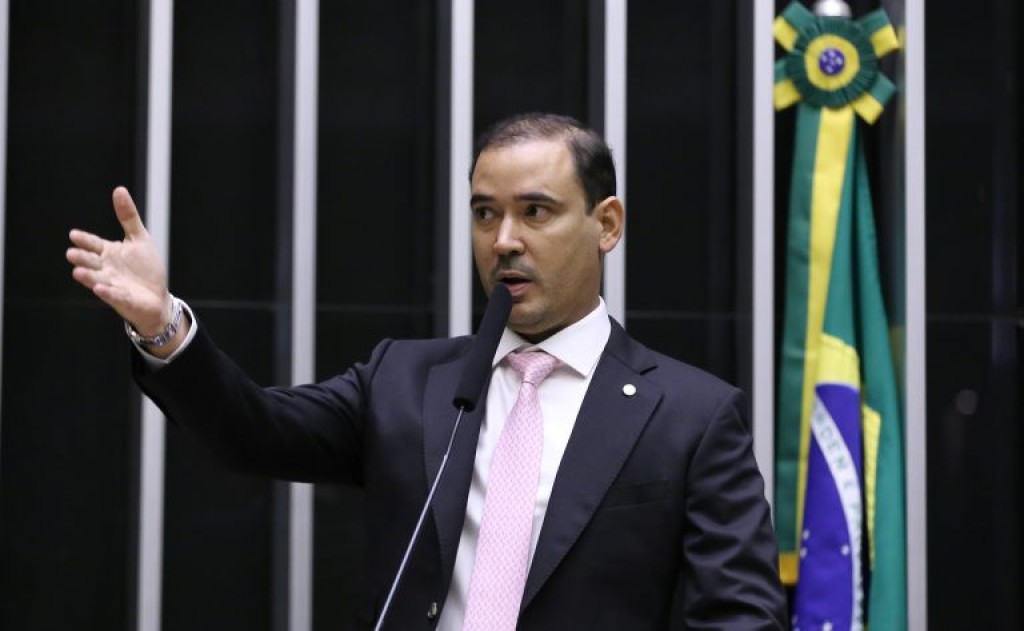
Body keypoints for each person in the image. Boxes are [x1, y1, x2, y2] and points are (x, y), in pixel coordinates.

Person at [66, 112, 787, 630]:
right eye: (485, 214)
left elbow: (741, 615)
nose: (504, 241)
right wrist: (163, 325)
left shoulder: (691, 416)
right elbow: (250, 430)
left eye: (536, 212)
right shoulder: (406, 380)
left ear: (607, 224)